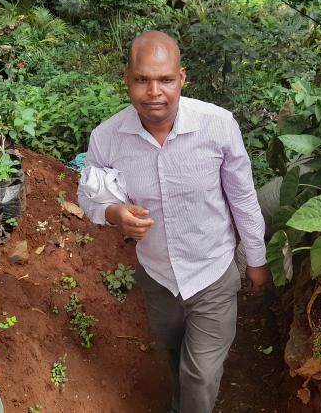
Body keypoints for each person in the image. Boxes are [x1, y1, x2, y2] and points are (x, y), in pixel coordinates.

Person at [77, 30, 269, 413]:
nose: (154, 92)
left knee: (199, 375)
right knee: (173, 353)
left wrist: (257, 259)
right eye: (142, 80)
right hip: (158, 276)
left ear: (182, 78)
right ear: (127, 81)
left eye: (165, 79)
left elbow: (243, 197)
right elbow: (90, 194)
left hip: (212, 272)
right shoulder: (107, 139)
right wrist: (115, 213)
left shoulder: (218, 126)